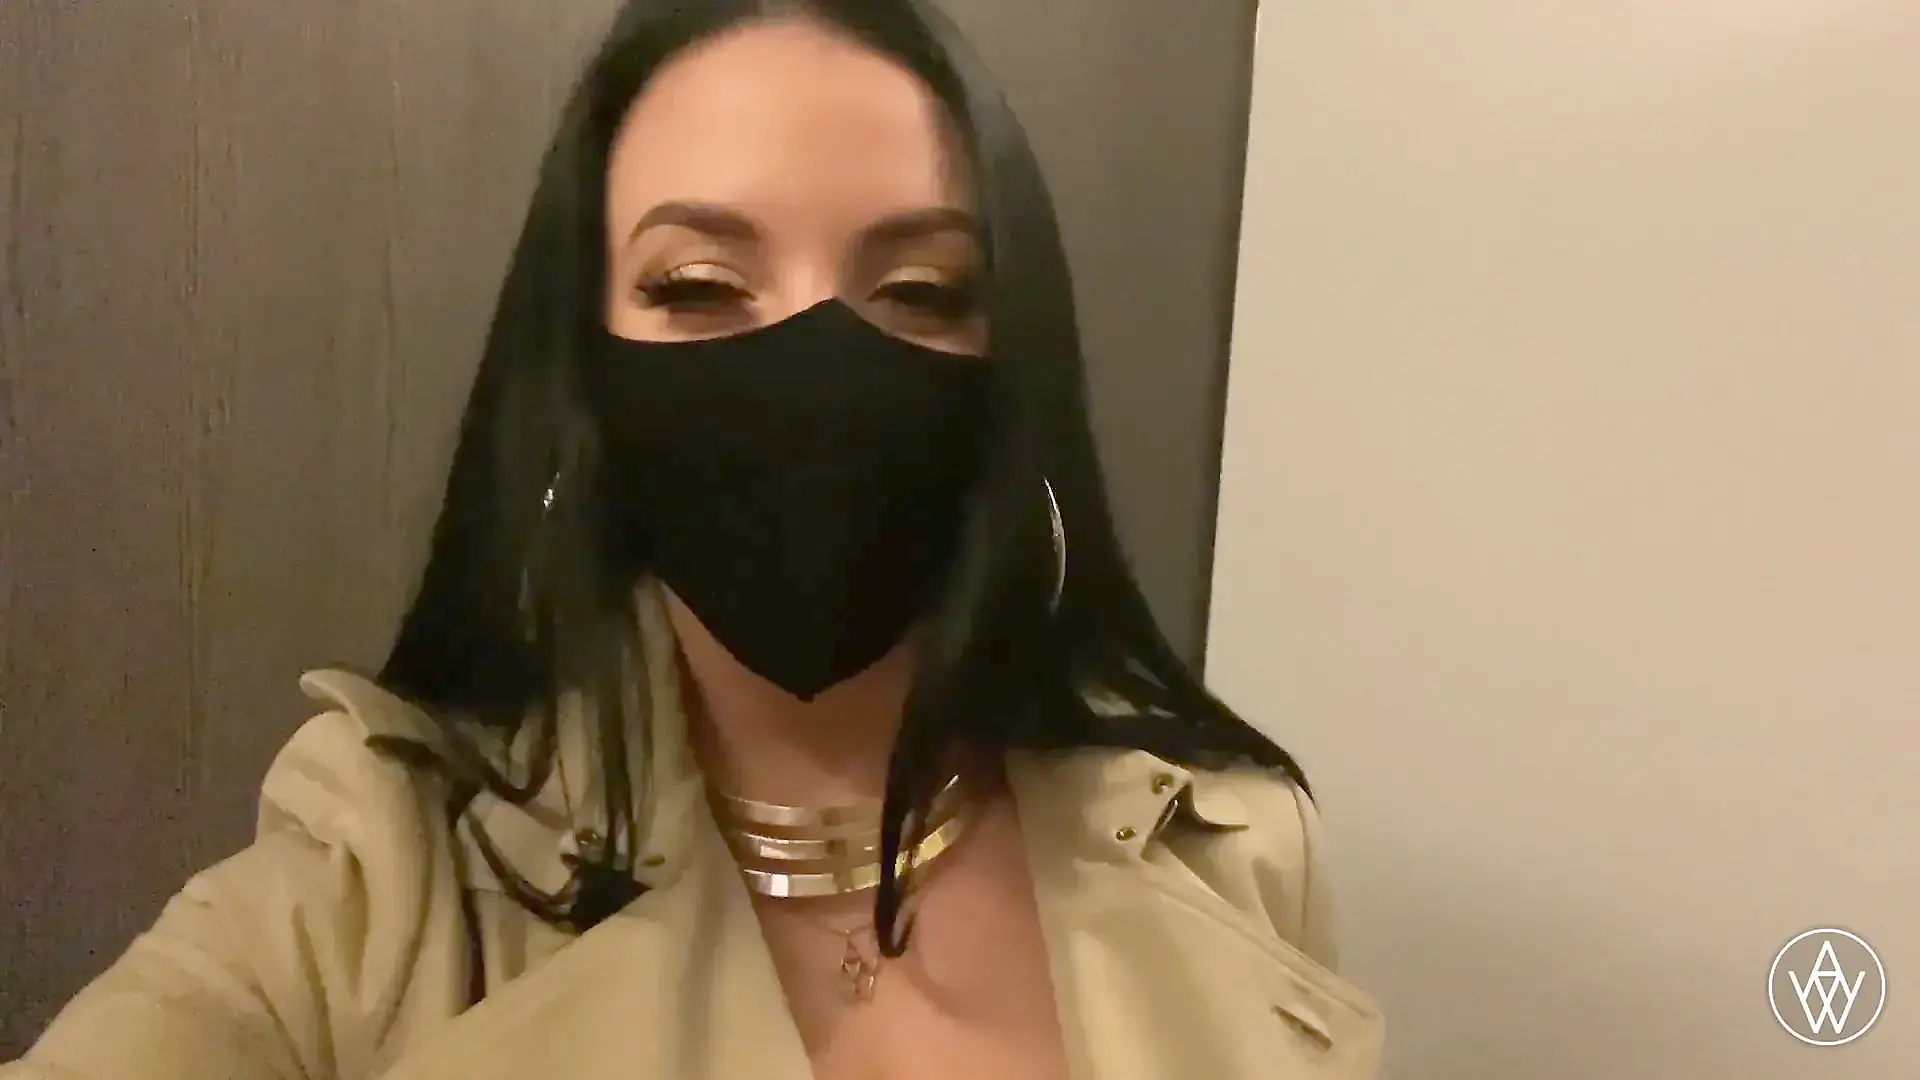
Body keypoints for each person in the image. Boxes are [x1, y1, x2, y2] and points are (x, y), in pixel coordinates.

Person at [3, 2, 1384, 1078]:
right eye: (702, 285)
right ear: (585, 377)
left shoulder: (1237, 852)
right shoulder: (381, 884)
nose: (817, 364)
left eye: (919, 289)